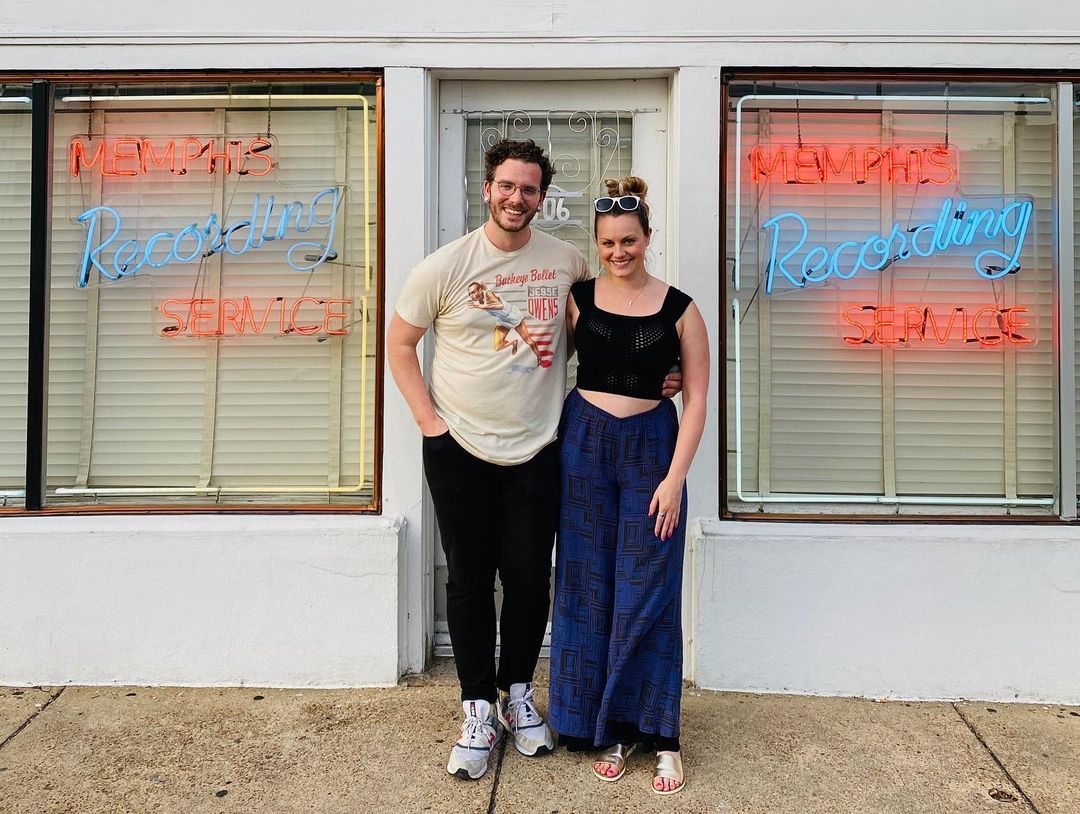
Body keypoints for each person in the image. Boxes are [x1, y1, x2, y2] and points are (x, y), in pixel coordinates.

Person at [388, 139, 589, 781]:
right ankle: (477, 706)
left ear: (542, 197)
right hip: (460, 449)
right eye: (506, 185)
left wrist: (659, 374)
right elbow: (399, 344)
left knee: (529, 577)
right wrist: (430, 424)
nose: (516, 198)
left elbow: (597, 336)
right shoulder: (445, 266)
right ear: (486, 189)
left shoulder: (567, 262)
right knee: (470, 578)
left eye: (528, 189)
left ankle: (518, 694)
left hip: (539, 446)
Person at [548, 176, 709, 796]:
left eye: (630, 241)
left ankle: (662, 736)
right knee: (586, 583)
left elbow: (697, 400)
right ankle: (607, 727)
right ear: (597, 243)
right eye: (609, 242)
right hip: (584, 446)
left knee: (650, 589)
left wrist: (675, 478)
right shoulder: (578, 299)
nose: (619, 252)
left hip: (651, 450)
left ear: (648, 238)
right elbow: (545, 366)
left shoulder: (681, 309)